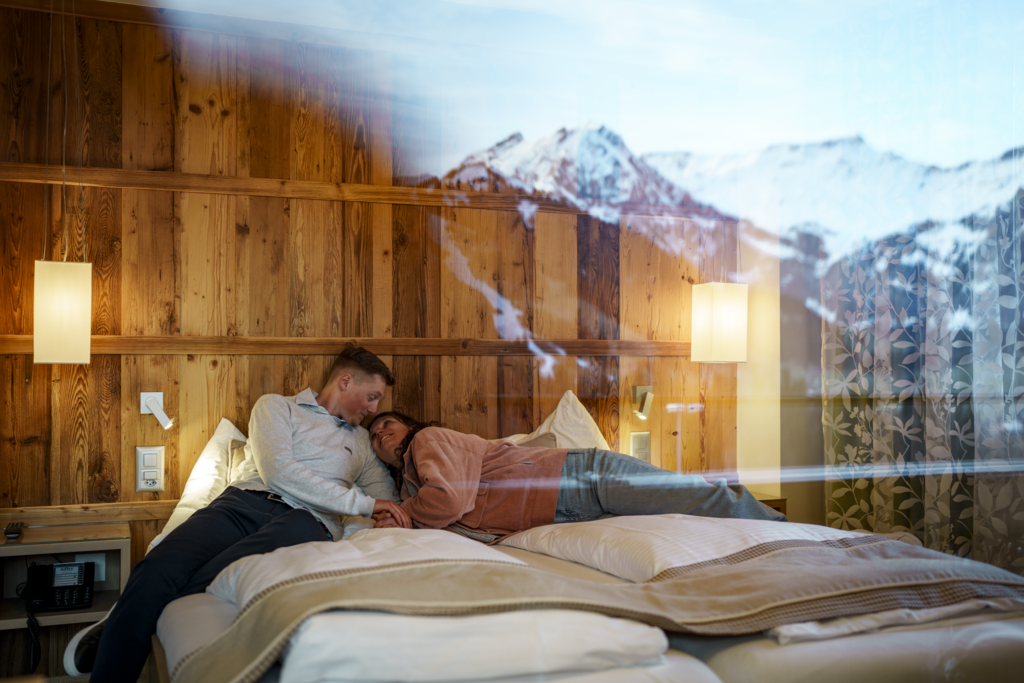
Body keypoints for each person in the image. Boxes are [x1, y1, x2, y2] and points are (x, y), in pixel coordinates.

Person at [66, 346, 411, 683]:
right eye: (372, 396)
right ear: (346, 381)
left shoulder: (364, 441)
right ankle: (117, 640)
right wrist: (365, 506)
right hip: (243, 504)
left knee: (214, 577)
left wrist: (388, 511)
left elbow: (386, 500)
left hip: (306, 521)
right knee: (158, 566)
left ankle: (121, 619)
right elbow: (278, 471)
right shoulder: (277, 407)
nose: (374, 408)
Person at [367, 412, 785, 540]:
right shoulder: (413, 486)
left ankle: (786, 530)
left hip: (581, 476)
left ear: (409, 426)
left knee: (697, 498)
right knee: (684, 530)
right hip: (561, 514)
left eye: (388, 423)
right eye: (373, 435)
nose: (381, 432)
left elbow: (453, 500)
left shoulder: (428, 440)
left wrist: (402, 511)